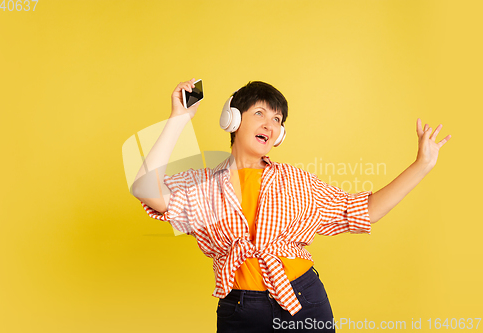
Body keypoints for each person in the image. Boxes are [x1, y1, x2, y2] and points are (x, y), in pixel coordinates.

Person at [130, 78, 452, 332]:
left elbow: (364, 211)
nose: (270, 125)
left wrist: (421, 165)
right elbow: (146, 188)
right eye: (259, 113)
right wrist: (179, 117)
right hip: (240, 310)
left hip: (304, 300)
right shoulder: (202, 185)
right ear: (232, 120)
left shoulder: (297, 182)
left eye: (277, 119)